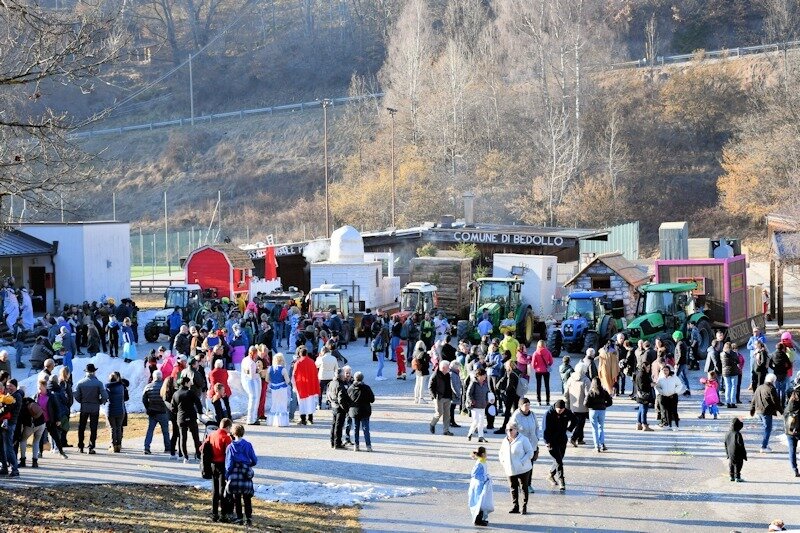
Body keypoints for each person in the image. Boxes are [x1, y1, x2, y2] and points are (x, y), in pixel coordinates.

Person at [225, 424, 258, 526]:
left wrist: (227, 475)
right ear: (243, 432)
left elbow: (229, 464)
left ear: (233, 433)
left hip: (235, 474)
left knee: (237, 497)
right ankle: (248, 518)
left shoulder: (230, 447)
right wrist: (248, 465)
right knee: (247, 498)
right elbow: (254, 460)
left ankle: (239, 517)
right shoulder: (248, 445)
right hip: (245, 473)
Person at [498, 423, 533, 515]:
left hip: (523, 469)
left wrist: (522, 461)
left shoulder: (523, 439)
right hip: (509, 468)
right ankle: (515, 506)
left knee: (523, 487)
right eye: (507, 430)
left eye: (511, 429)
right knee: (513, 487)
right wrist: (503, 462)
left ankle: (524, 506)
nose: (509, 432)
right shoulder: (505, 440)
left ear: (516, 430)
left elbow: (530, 452)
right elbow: (501, 453)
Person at [542, 399, 576, 492]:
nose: (560, 412)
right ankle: (561, 481)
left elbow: (575, 420)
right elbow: (544, 429)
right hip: (552, 441)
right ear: (555, 408)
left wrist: (569, 429)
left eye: (562, 410)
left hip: (562, 439)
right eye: (558, 410)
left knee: (559, 459)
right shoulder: (548, 414)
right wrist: (546, 442)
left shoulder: (567, 412)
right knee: (558, 461)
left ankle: (550, 474)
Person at [75, 363, 108, 454]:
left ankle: (80, 446)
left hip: (84, 407)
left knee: (81, 427)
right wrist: (99, 401)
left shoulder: (80, 383)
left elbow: (76, 395)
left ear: (86, 372)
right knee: (93, 428)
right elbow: (105, 396)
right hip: (95, 408)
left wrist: (82, 401)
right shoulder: (98, 383)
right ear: (94, 372)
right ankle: (91, 447)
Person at [509, 397, 539, 492]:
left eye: (529, 405)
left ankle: (528, 485)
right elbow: (511, 429)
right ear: (520, 406)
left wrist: (537, 438)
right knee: (520, 464)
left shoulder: (532, 414)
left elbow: (537, 427)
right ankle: (518, 483)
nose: (527, 407)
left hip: (532, 444)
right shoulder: (516, 416)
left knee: (530, 465)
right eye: (525, 405)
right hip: (521, 445)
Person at [171, 376, 203, 463]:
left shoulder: (176, 394)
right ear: (186, 383)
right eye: (189, 382)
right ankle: (198, 455)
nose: (191, 383)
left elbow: (173, 408)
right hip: (191, 416)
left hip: (181, 417)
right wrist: (200, 412)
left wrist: (178, 412)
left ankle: (185, 457)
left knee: (183, 437)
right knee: (195, 437)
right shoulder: (190, 393)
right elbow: (198, 403)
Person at [750, 374, 783, 453]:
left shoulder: (759, 387)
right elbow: (776, 401)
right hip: (766, 411)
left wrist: (752, 410)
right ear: (773, 381)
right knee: (768, 429)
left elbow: (754, 399)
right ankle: (764, 446)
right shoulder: (771, 389)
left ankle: (765, 443)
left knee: (766, 427)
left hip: (759, 411)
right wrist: (782, 411)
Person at [208, 418, 233, 523]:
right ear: (228, 427)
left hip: (213, 465)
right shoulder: (226, 438)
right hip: (222, 465)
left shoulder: (212, 435)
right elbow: (229, 453)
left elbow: (202, 447)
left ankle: (214, 513)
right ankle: (223, 514)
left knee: (215, 490)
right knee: (222, 490)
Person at [142, 370, 170, 455]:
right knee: (165, 431)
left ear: (153, 377)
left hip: (152, 412)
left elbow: (144, 399)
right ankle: (167, 448)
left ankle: (146, 447)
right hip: (163, 411)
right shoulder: (164, 386)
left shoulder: (148, 387)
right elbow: (168, 398)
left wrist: (148, 408)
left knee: (150, 430)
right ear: (161, 377)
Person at [348, 371, 375, 452]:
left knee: (355, 429)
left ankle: (356, 446)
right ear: (362, 378)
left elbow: (347, 400)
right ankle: (368, 446)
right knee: (366, 429)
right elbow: (372, 399)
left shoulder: (350, 388)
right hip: (365, 410)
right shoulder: (366, 388)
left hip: (354, 411)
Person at [468, 446, 493, 527]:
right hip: (478, 485)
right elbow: (474, 474)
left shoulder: (482, 461)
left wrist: (486, 477)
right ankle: (477, 520)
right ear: (482, 454)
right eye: (486, 453)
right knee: (479, 502)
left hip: (482, 484)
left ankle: (481, 519)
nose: (487, 454)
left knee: (482, 501)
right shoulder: (479, 463)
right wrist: (484, 479)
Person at [292, 347, 319, 425]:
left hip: (301, 385)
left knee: (302, 402)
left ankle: (303, 419)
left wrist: (294, 385)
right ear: (306, 353)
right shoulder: (312, 361)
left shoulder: (298, 363)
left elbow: (294, 375)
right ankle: (310, 418)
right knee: (310, 402)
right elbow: (315, 373)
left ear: (300, 354)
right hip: (310, 385)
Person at [586, 376, 613, 452]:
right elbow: (610, 402)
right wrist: (604, 405)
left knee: (594, 429)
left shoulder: (591, 392)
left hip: (593, 411)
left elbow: (585, 403)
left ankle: (596, 446)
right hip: (602, 411)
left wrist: (591, 407)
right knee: (601, 427)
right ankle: (602, 444)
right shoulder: (604, 392)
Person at [564, 367, 590, 445]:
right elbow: (588, 395)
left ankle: (580, 439)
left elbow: (566, 393)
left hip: (573, 405)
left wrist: (567, 403)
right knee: (580, 424)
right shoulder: (586, 380)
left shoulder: (570, 379)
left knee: (579, 422)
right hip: (583, 407)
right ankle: (574, 438)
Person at [494, 361, 521, 434]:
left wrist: (504, 391)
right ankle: (516, 428)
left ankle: (504, 428)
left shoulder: (510, 373)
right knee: (515, 412)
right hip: (517, 394)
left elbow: (509, 385)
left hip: (511, 394)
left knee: (507, 411)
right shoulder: (518, 372)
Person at [429, 360, 454, 436]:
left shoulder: (448, 375)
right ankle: (432, 424)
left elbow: (449, 385)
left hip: (448, 397)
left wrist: (451, 395)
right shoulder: (435, 375)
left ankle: (446, 430)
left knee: (447, 415)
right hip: (439, 397)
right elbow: (430, 387)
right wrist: (434, 397)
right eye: (448, 367)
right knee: (439, 413)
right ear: (443, 368)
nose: (449, 369)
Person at [655, 365, 685, 430]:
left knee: (674, 411)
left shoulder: (674, 377)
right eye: (664, 370)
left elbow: (680, 385)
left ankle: (676, 426)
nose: (665, 372)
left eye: (667, 370)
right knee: (666, 411)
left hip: (673, 396)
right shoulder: (661, 378)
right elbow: (657, 387)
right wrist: (662, 392)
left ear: (669, 371)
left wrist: (674, 392)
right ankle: (668, 425)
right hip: (665, 396)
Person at [105, 372, 128, 453]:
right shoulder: (121, 386)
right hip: (121, 410)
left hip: (111, 410)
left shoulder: (107, 388)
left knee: (113, 428)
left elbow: (105, 397)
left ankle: (113, 445)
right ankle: (119, 445)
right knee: (119, 427)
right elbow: (126, 397)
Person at [266, 353, 290, 427]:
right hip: (282, 388)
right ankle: (282, 422)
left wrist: (272, 382)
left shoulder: (270, 368)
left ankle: (272, 421)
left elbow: (267, 379)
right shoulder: (283, 369)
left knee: (275, 404)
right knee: (282, 404)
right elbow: (287, 381)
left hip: (274, 388)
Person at [467, 368, 490, 443]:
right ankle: (470, 433)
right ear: (478, 376)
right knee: (476, 421)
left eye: (485, 375)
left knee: (481, 422)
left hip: (483, 405)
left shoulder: (485, 384)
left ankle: (481, 436)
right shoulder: (473, 383)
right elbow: (468, 393)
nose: (484, 377)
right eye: (483, 375)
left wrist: (487, 400)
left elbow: (487, 393)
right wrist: (472, 401)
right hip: (475, 405)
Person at [241, 347, 262, 425]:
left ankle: (252, 418)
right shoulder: (252, 363)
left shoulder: (245, 359)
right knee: (254, 399)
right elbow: (252, 376)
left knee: (252, 399)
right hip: (251, 382)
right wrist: (259, 373)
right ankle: (251, 419)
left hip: (245, 380)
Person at [725, 417, 747, 482]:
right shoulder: (738, 434)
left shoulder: (727, 433)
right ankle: (737, 477)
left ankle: (731, 476)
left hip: (730, 452)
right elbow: (741, 445)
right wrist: (744, 454)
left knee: (731, 464)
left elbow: (725, 444)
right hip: (738, 453)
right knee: (738, 465)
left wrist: (727, 454)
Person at [784, 384, 800, 478]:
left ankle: (795, 469)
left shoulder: (789, 406)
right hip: (798, 429)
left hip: (789, 430)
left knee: (792, 450)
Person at [532, 340, 553, 406]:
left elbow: (533, 364)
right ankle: (548, 401)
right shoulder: (548, 352)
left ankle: (539, 401)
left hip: (538, 371)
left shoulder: (535, 353)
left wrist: (536, 367)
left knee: (538, 386)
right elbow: (551, 361)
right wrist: (548, 365)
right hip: (546, 371)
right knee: (547, 386)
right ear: (544, 345)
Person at [316, 345, 338, 409]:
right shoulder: (333, 358)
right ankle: (327, 404)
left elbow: (316, 365)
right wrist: (335, 375)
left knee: (320, 391)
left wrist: (318, 357)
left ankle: (319, 405)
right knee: (329, 391)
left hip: (322, 377)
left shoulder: (322, 358)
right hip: (331, 377)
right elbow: (336, 368)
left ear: (323, 351)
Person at [634, 361, 654, 431]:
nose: (649, 369)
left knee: (640, 409)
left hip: (640, 395)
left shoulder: (640, 373)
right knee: (644, 410)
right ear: (644, 367)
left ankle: (639, 424)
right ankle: (644, 424)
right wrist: (651, 385)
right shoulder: (642, 375)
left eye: (649, 367)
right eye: (647, 367)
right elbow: (642, 386)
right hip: (644, 395)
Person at [720, 342, 739, 408]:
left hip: (725, 372)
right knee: (733, 387)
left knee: (728, 387)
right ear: (730, 347)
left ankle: (727, 402)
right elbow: (738, 361)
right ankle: (733, 402)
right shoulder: (734, 353)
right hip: (734, 371)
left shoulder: (721, 354)